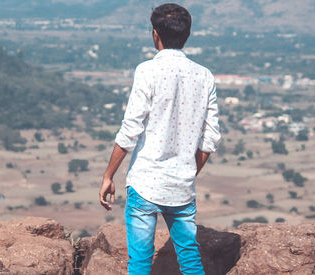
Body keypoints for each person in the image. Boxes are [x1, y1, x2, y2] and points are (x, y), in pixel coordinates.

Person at [98, 3, 221, 274]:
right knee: (190, 259)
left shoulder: (147, 71)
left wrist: (109, 175)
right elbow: (211, 137)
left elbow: (130, 129)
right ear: (186, 35)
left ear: (156, 34)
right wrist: (190, 170)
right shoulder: (205, 76)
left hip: (145, 182)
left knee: (140, 263)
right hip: (182, 185)